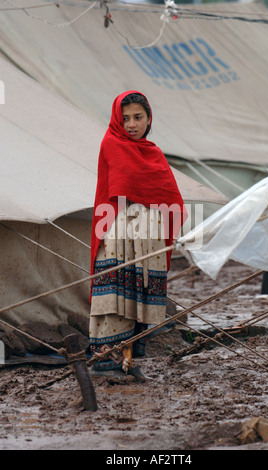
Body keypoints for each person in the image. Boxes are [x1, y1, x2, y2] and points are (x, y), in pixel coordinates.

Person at [89, 90, 187, 377]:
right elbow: (121, 192)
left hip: (146, 233)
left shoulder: (152, 152)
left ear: (148, 119)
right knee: (117, 293)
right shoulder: (112, 144)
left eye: (138, 117)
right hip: (119, 231)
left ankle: (127, 360)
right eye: (125, 118)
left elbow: (167, 196)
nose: (131, 124)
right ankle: (106, 360)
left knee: (137, 292)